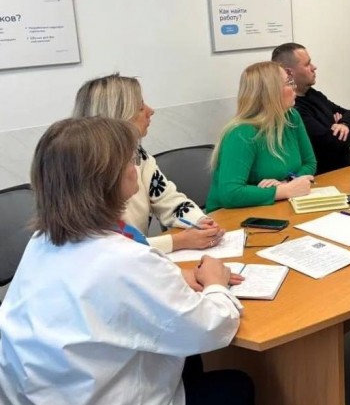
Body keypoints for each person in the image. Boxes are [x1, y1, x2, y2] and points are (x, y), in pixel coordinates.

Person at [0, 117, 253, 405]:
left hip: (39, 391)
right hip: (94, 394)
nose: (137, 168)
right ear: (108, 179)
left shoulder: (42, 241)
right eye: (131, 161)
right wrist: (216, 284)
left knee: (187, 361)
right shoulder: (125, 259)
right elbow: (212, 329)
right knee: (236, 384)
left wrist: (168, 276)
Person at [73, 74, 223, 253]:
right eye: (140, 107)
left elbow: (169, 200)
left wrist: (200, 221)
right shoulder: (82, 173)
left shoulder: (139, 155)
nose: (150, 111)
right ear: (117, 116)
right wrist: (178, 241)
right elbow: (108, 249)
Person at [206, 61, 316, 211]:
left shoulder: (291, 116)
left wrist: (287, 183)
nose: (294, 87)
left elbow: (309, 163)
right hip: (229, 217)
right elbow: (231, 194)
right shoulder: (241, 132)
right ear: (271, 93)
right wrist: (283, 191)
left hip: (275, 207)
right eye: (288, 83)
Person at [272, 42, 350, 174]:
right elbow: (333, 144)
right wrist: (348, 135)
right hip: (325, 176)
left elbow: (349, 113)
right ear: (289, 72)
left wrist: (344, 124)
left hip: (347, 168)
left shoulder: (314, 95)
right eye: (307, 64)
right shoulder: (293, 109)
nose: (314, 67)